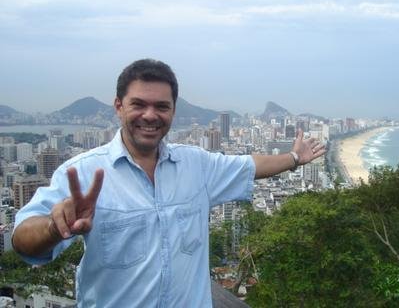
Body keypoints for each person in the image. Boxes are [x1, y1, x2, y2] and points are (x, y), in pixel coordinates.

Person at [12, 59, 326, 307]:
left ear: (173, 111)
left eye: (162, 107)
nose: (150, 115)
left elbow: (249, 166)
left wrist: (294, 159)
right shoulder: (82, 173)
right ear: (118, 106)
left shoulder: (197, 165)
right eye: (138, 104)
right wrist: (55, 227)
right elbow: (22, 240)